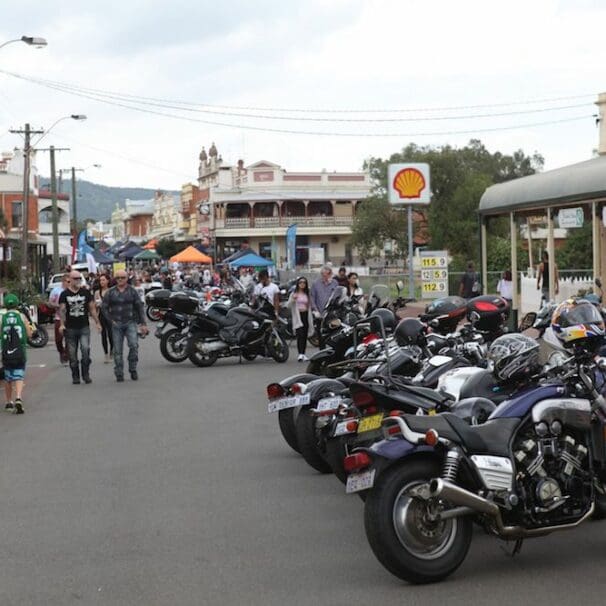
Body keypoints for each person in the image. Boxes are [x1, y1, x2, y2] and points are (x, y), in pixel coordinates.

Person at [102, 269, 149, 382]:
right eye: (118, 278)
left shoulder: (132, 291)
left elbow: (139, 307)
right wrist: (110, 320)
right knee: (118, 350)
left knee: (133, 345)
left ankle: (132, 368)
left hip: (130, 322)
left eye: (122, 277)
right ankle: (119, 372)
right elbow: (104, 308)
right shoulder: (110, 292)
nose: (120, 280)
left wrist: (143, 324)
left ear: (127, 279)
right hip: (116, 323)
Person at [59, 270, 102, 385]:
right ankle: (75, 375)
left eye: (79, 278)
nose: (78, 280)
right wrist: (62, 324)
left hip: (84, 326)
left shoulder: (86, 292)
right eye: (75, 278)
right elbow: (62, 310)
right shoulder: (64, 294)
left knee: (85, 350)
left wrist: (97, 322)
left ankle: (86, 374)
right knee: (72, 354)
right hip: (70, 328)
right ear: (70, 280)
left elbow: (92, 308)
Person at [1, 294, 32, 414]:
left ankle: (9, 402)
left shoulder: (2, 318)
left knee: (8, 377)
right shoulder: (22, 316)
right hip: (20, 350)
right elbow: (29, 334)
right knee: (19, 375)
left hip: (6, 350)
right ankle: (18, 397)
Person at [288, 277, 314, 362]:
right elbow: (288, 305)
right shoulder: (294, 294)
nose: (302, 284)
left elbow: (310, 305)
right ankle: (300, 354)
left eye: (304, 283)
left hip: (306, 315)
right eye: (300, 282)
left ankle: (303, 354)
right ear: (297, 284)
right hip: (298, 316)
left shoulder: (307, 294)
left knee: (305, 335)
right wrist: (293, 299)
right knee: (300, 335)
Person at [48, 273, 70, 365]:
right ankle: (61, 351)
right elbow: (50, 303)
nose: (69, 283)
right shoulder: (56, 290)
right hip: (58, 317)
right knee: (58, 339)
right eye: (68, 281)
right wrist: (57, 306)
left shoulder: (71, 291)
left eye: (70, 281)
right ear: (63, 281)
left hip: (69, 318)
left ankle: (67, 355)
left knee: (69, 338)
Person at [93, 273, 113, 364]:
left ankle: (112, 351)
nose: (102, 282)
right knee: (103, 335)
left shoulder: (112, 291)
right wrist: (96, 321)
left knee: (111, 335)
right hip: (101, 315)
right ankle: (106, 354)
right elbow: (95, 306)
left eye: (103, 280)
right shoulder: (97, 292)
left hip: (110, 315)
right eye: (100, 280)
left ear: (108, 281)